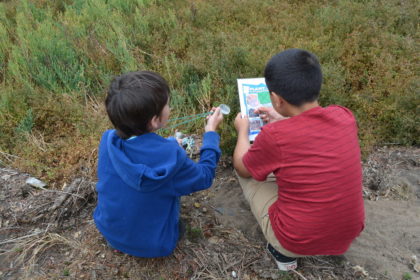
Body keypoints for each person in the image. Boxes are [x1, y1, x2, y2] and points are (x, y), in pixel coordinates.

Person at [233, 49, 365, 271]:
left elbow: (243, 167)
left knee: (245, 168)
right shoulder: (344, 116)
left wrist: (242, 132)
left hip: (295, 239)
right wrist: (282, 118)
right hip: (347, 234)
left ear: (276, 99)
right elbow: (312, 135)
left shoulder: (275, 137)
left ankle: (282, 255)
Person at [93, 71, 223, 257]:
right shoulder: (172, 155)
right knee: (179, 226)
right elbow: (205, 176)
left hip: (110, 232)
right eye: (167, 104)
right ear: (154, 120)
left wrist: (169, 146)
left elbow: (143, 154)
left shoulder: (108, 140)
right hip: (156, 246)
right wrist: (210, 133)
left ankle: (122, 243)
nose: (169, 107)